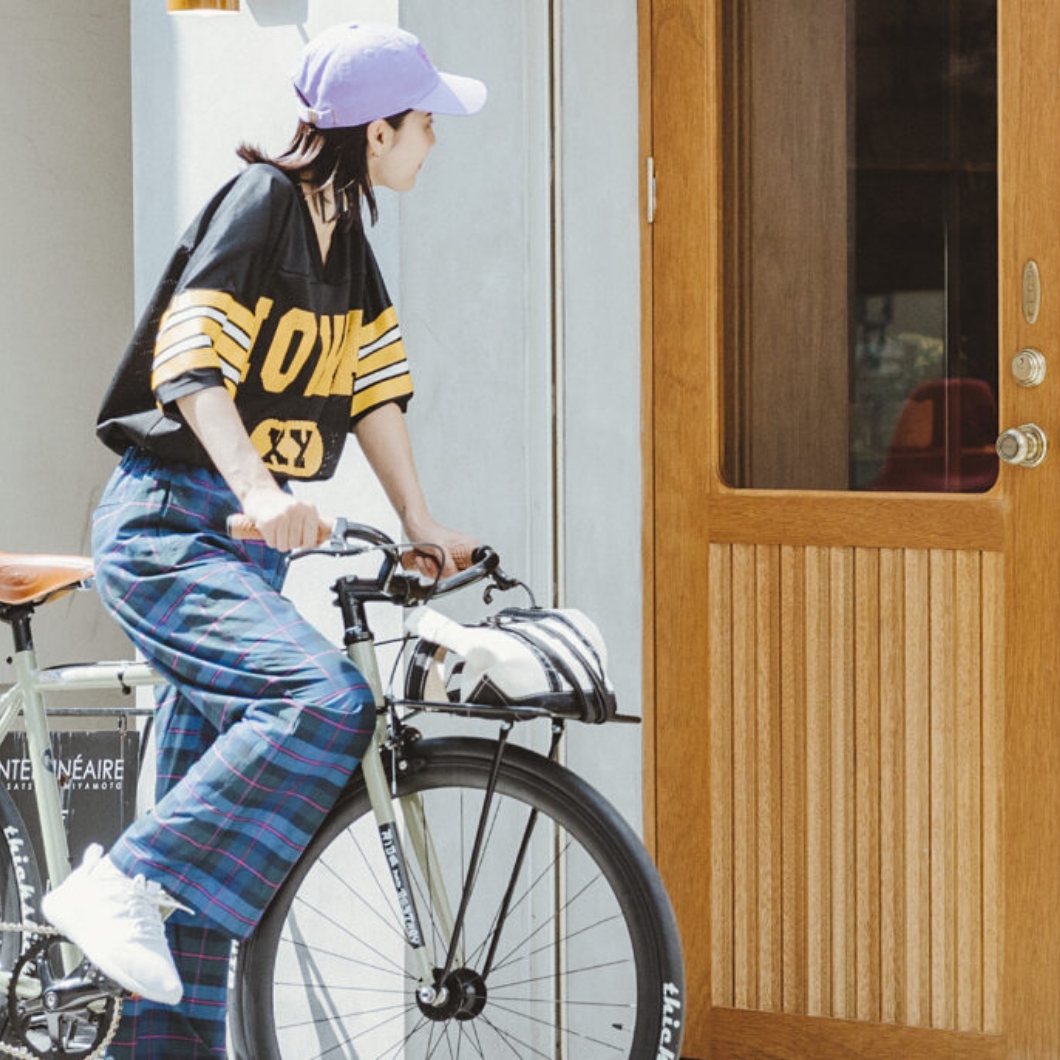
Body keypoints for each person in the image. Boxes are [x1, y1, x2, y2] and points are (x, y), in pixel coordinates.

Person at [41, 22, 486, 1058]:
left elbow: (372, 389)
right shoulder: (263, 203)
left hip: (240, 552)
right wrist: (257, 486)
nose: (434, 139)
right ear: (376, 132)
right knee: (323, 701)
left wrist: (418, 520)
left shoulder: (345, 241)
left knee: (201, 901)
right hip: (171, 528)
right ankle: (120, 878)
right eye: (424, 122)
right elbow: (189, 361)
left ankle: (150, 957)